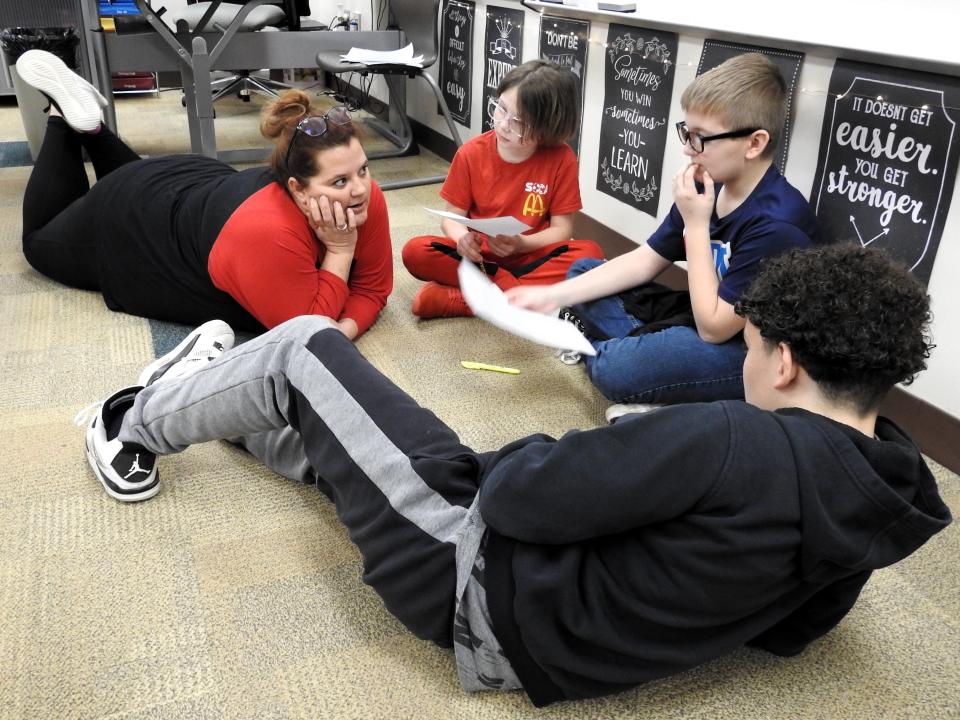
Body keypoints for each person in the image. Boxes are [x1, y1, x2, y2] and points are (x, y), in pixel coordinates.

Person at [79, 243, 951, 706]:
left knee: (310, 349)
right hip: (548, 629)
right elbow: (791, 635)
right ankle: (227, 399)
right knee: (355, 435)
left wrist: (627, 449)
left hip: (467, 583)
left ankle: (128, 417)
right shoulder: (892, 492)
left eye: (752, 348)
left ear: (787, 362)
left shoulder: (732, 437)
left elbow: (517, 494)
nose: (746, 366)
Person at [507, 53, 819, 417]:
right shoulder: (712, 185)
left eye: (701, 138)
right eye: (687, 132)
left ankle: (657, 381)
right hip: (700, 313)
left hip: (748, 352)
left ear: (754, 143)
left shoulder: (777, 225)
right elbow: (645, 261)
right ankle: (652, 366)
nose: (687, 149)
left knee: (614, 371)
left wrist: (697, 225)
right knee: (581, 272)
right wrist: (550, 294)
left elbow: (715, 330)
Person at [17, 49, 392, 339]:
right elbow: (311, 332)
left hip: (189, 185)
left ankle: (91, 127)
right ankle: (61, 119)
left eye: (362, 169)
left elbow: (373, 289)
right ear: (297, 188)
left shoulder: (364, 196)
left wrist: (349, 328)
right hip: (133, 212)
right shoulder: (269, 232)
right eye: (339, 182)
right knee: (37, 244)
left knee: (135, 179)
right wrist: (342, 251)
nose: (360, 188)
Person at [401, 59, 603, 319]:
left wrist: (521, 244)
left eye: (519, 121)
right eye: (501, 109)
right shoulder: (471, 153)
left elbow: (562, 231)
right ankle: (516, 293)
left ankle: (469, 300)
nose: (504, 124)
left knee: (590, 256)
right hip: (480, 257)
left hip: (530, 254)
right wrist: (462, 238)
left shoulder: (561, 159)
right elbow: (451, 219)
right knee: (416, 251)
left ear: (547, 127)